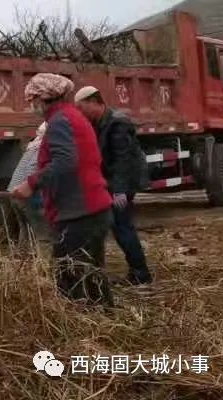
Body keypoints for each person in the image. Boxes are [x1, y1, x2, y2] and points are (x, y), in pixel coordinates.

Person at [10, 73, 114, 307]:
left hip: (80, 212)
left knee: (71, 276)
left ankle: (85, 328)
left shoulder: (59, 121)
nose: (32, 106)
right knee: (91, 274)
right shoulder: (70, 116)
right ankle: (103, 320)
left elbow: (65, 160)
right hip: (90, 208)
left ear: (43, 99)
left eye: (33, 100)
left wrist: (30, 184)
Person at [75, 86, 153, 285]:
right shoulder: (98, 122)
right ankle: (138, 272)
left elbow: (123, 159)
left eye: (82, 108)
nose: (81, 113)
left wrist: (120, 191)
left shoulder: (118, 122)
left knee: (122, 226)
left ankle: (141, 274)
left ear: (94, 102)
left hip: (123, 182)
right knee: (119, 227)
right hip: (113, 181)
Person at [7, 122, 50, 244]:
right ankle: (44, 262)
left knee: (25, 231)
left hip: (13, 192)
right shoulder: (44, 147)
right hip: (28, 194)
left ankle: (22, 260)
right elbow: (38, 171)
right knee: (43, 234)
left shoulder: (33, 146)